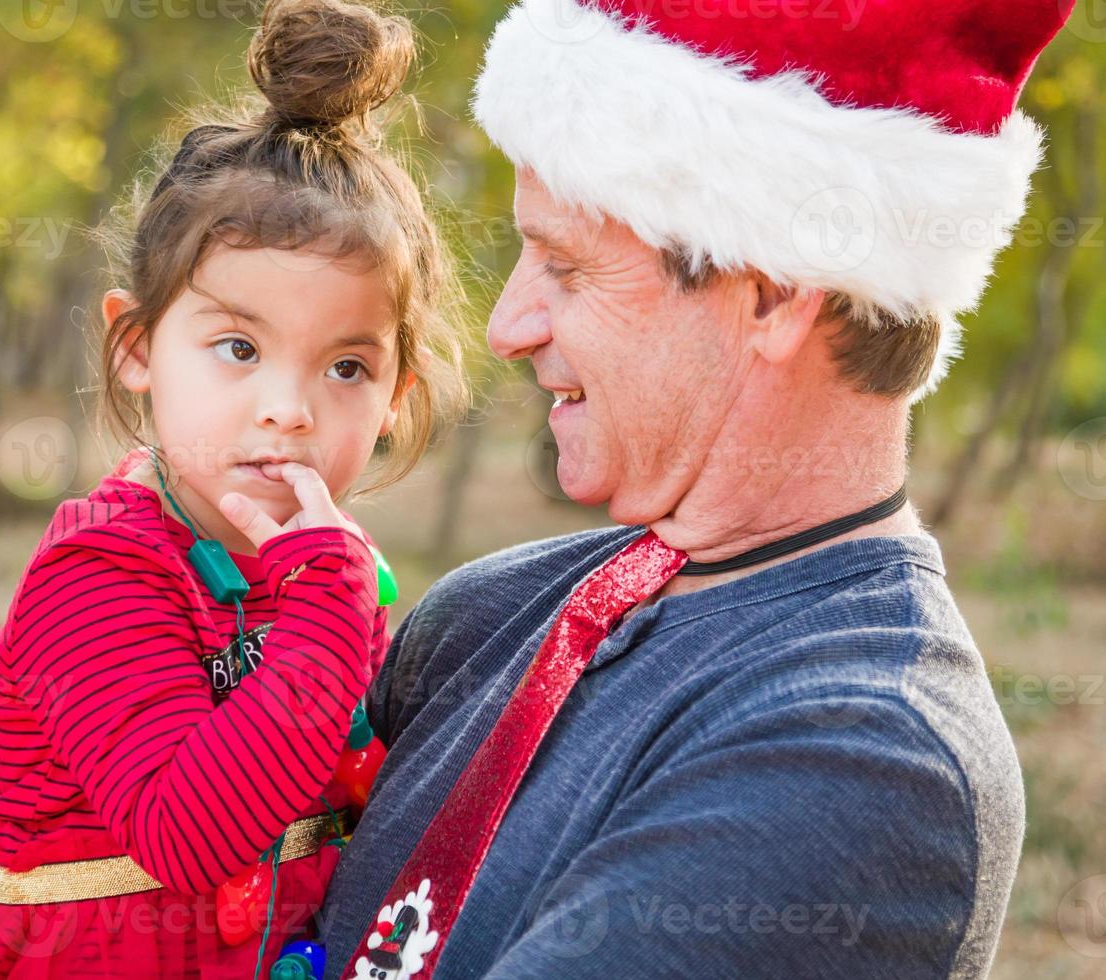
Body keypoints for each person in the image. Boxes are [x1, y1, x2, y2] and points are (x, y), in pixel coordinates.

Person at [318, 1, 1075, 977]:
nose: (510, 323)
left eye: (566, 264)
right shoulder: (485, 608)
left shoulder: (864, 760)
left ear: (773, 291)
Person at [0, 0, 465, 975]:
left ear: (394, 397)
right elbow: (183, 834)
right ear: (138, 349)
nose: (288, 407)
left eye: (347, 367)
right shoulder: (99, 568)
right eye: (239, 348)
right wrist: (328, 600)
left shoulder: (333, 567)